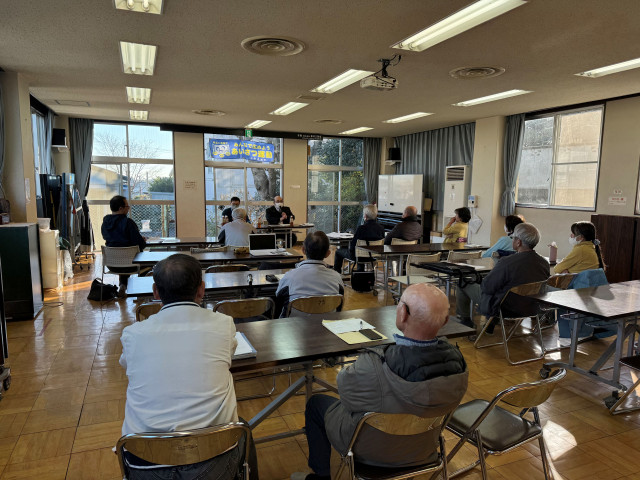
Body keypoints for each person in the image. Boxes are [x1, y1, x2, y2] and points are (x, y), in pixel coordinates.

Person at [292, 284, 468, 480]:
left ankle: (322, 476)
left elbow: (346, 396)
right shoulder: (459, 366)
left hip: (370, 451)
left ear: (402, 314)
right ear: (445, 320)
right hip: (423, 448)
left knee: (316, 404)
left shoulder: (374, 365)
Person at [119, 254, 257, 480]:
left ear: (155, 292)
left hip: (144, 460)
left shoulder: (132, 334)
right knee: (242, 427)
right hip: (213, 460)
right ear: (201, 289)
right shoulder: (223, 324)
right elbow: (229, 355)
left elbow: (128, 365)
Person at [456, 223, 550, 331]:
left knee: (462, 282)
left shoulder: (507, 262)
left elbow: (487, 287)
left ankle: (465, 321)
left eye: (513, 238)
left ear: (518, 242)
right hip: (532, 307)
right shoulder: (544, 263)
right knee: (502, 288)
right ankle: (490, 322)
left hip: (504, 307)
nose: (512, 240)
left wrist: (482, 280)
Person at [276, 231, 344, 317]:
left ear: (303, 250)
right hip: (326, 324)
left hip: (294, 324)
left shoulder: (289, 277)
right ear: (328, 253)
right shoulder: (337, 278)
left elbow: (279, 302)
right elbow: (339, 308)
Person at [101, 195, 147, 297]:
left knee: (123, 256)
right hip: (131, 265)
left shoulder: (105, 222)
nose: (128, 208)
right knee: (147, 261)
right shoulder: (128, 222)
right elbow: (140, 244)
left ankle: (123, 285)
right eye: (127, 206)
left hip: (112, 264)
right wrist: (142, 240)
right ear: (121, 208)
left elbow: (107, 237)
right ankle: (141, 290)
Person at [333, 204, 385, 273]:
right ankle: (360, 272)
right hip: (374, 257)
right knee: (360, 252)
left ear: (365, 216)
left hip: (359, 256)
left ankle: (337, 274)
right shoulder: (381, 228)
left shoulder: (361, 228)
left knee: (338, 252)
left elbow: (353, 246)